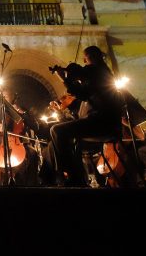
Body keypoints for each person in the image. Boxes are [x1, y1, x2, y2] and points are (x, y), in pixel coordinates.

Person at [48, 46, 124, 186]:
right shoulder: (101, 74)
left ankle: (72, 177)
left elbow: (80, 89)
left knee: (57, 131)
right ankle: (72, 176)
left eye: (85, 57)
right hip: (105, 121)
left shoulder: (96, 71)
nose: (83, 61)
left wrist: (65, 77)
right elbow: (82, 93)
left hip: (102, 122)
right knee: (63, 137)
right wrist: (65, 77)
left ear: (92, 56)